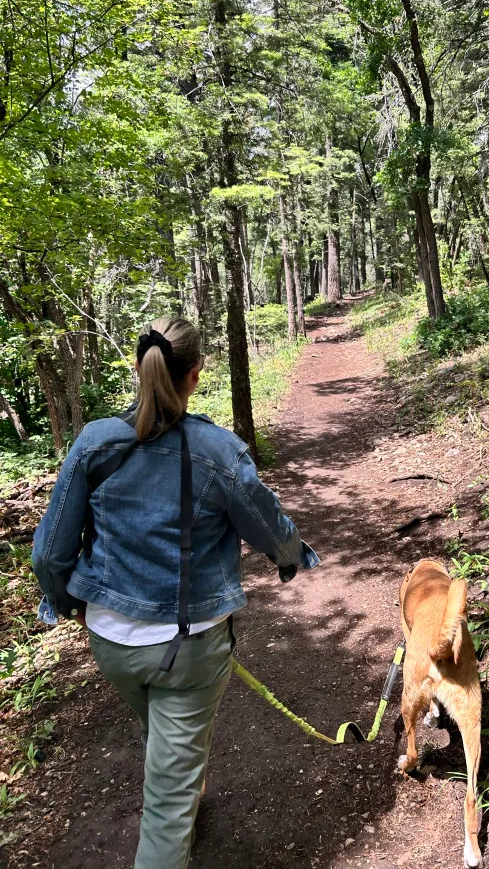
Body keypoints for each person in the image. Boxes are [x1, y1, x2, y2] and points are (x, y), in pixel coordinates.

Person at [33, 316, 318, 869]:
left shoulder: (95, 441)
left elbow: (49, 553)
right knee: (165, 804)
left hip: (110, 641)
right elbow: (270, 529)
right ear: (194, 374)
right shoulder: (218, 451)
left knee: (160, 738)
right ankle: (175, 813)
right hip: (188, 648)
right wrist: (292, 558)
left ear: (141, 369)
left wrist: (65, 603)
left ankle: (181, 787)